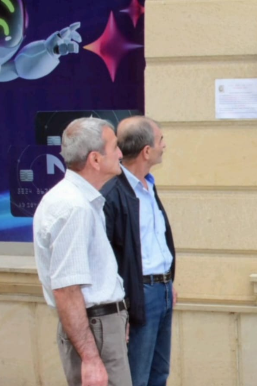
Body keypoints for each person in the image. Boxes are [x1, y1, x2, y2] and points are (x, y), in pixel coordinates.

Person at [33, 117, 130, 386]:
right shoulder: (73, 206)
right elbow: (66, 289)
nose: (121, 154)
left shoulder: (81, 202)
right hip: (94, 329)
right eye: (115, 147)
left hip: (101, 326)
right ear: (95, 159)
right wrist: (91, 357)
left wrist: (118, 317)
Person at [101, 116, 176, 386]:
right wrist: (122, 309)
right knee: (137, 377)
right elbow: (107, 258)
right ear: (147, 151)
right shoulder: (113, 193)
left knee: (159, 373)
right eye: (160, 140)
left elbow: (155, 240)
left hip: (163, 290)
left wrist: (168, 281)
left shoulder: (148, 185)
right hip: (139, 295)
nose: (164, 145)